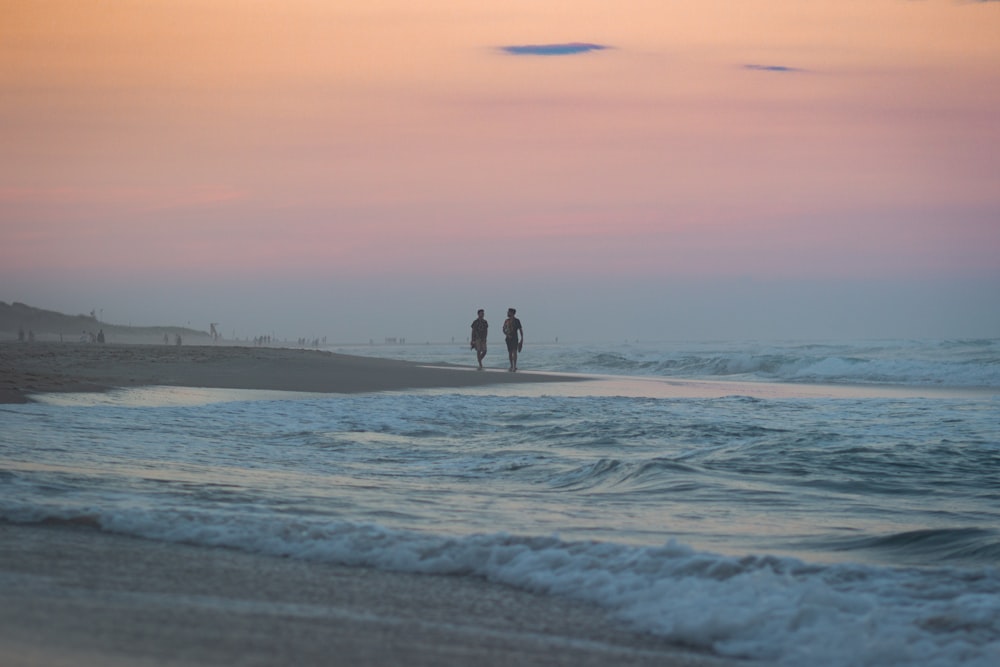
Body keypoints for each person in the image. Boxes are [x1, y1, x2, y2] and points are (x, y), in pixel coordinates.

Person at [502, 307, 523, 372]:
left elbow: (520, 329)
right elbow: (503, 329)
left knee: (515, 351)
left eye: (508, 312)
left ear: (512, 313)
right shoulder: (506, 321)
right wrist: (507, 334)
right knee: (510, 352)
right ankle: (511, 365)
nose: (507, 313)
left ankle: (514, 366)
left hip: (515, 338)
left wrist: (522, 338)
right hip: (508, 338)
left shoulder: (517, 321)